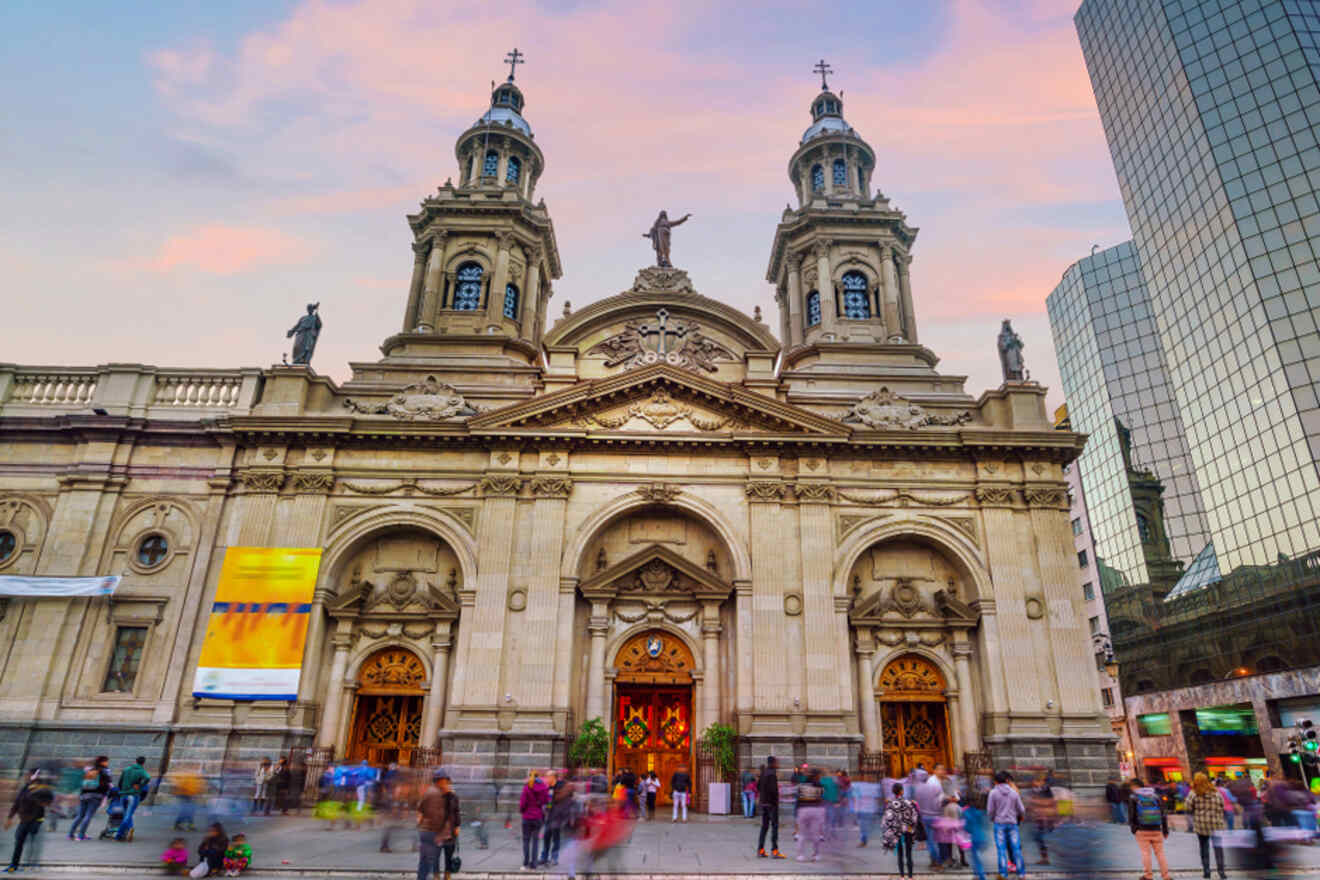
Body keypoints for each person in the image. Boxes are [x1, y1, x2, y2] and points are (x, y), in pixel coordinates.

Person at [4, 769, 54, 874]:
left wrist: (44, 802)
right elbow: (17, 803)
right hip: (24, 820)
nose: (27, 776)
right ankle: (14, 865)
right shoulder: (25, 788)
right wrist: (10, 818)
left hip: (36, 820)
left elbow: (48, 801)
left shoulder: (42, 788)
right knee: (19, 843)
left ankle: (33, 865)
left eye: (29, 774)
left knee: (34, 844)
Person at [417, 769, 460, 880]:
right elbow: (423, 811)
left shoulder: (452, 796)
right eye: (444, 781)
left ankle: (447, 874)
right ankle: (436, 875)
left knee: (448, 854)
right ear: (438, 781)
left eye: (447, 781)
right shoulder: (435, 794)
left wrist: (457, 826)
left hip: (448, 830)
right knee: (434, 856)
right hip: (436, 831)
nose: (446, 784)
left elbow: (456, 812)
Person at [1184, 772, 1226, 880]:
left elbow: (1187, 807)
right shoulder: (1216, 792)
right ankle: (1221, 872)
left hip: (1201, 825)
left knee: (1204, 849)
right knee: (1218, 849)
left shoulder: (1193, 793)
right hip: (1217, 824)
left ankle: (1207, 872)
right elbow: (1222, 805)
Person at [1129, 776, 1171, 880]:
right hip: (1157, 828)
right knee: (1160, 853)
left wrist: (1134, 829)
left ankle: (1148, 876)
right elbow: (1163, 814)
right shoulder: (1155, 796)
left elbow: (1131, 814)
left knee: (1145, 853)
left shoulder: (1133, 797)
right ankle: (1166, 876)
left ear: (1135, 786)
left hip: (1142, 829)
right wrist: (1165, 830)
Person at [987, 770, 1026, 878]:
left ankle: (1003, 874)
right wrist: (1020, 816)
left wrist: (993, 818)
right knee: (1016, 849)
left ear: (996, 781)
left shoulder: (993, 793)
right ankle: (1021, 874)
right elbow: (1021, 809)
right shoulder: (1014, 793)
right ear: (1007, 780)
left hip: (999, 824)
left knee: (1001, 850)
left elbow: (990, 810)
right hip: (1012, 824)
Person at [881, 782, 920, 879]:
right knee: (909, 854)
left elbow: (887, 819)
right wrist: (912, 827)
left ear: (893, 792)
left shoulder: (890, 804)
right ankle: (910, 877)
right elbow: (914, 817)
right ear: (902, 791)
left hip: (896, 831)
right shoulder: (909, 803)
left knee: (900, 854)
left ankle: (902, 876)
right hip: (908, 830)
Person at [69, 755, 111, 840]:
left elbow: (83, 783)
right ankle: (81, 835)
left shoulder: (90, 770)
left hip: (84, 795)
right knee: (88, 815)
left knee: (80, 815)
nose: (107, 763)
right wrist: (104, 794)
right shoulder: (104, 771)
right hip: (96, 796)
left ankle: (71, 834)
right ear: (102, 762)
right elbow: (107, 784)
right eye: (106, 761)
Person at [914, 765, 946, 867]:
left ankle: (935, 860)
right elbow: (941, 801)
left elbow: (917, 804)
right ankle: (940, 860)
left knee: (931, 841)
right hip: (937, 816)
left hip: (926, 817)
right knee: (940, 839)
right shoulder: (936, 787)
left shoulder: (917, 789)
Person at [756, 756, 787, 859]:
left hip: (764, 803)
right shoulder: (772, 774)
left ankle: (760, 850)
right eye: (777, 763)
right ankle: (775, 850)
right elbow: (774, 791)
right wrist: (775, 802)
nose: (778, 764)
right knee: (774, 827)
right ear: (773, 763)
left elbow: (758, 786)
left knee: (764, 827)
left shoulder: (764, 773)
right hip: (771, 805)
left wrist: (763, 797)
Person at [114, 755, 150, 842]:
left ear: (135, 761)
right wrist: (140, 785)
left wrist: (122, 789)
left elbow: (120, 782)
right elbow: (148, 778)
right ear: (143, 763)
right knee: (128, 815)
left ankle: (130, 828)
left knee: (126, 814)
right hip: (133, 795)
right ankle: (120, 834)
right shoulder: (141, 771)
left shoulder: (126, 769)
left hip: (123, 794)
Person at [518, 770, 548, 870]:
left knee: (526, 840)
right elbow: (546, 801)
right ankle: (534, 864)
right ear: (538, 777)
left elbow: (522, 803)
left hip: (527, 817)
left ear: (530, 776)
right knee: (535, 841)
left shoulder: (527, 787)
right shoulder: (544, 787)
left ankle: (525, 863)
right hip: (538, 817)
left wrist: (523, 811)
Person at [795, 768, 826, 862]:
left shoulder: (801, 786)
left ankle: (800, 855)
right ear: (817, 776)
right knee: (816, 834)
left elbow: (798, 798)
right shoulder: (820, 786)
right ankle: (816, 854)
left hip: (803, 810)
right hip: (816, 810)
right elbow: (821, 798)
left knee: (801, 834)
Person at [1026, 775, 1056, 865]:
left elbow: (1050, 802)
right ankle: (1045, 858)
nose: (1033, 783)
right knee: (1039, 838)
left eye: (1035, 781)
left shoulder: (1046, 790)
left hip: (1047, 819)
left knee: (1041, 838)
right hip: (1040, 820)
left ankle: (1047, 857)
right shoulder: (1035, 791)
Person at [963, 790, 991, 880]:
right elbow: (986, 824)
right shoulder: (980, 812)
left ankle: (981, 876)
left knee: (975, 858)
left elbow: (966, 827)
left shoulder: (966, 813)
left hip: (973, 838)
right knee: (977, 857)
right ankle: (977, 875)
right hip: (983, 837)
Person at [851, 774, 879, 847]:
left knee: (864, 827)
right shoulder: (874, 787)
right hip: (865, 809)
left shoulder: (859, 786)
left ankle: (864, 841)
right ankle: (864, 840)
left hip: (865, 809)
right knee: (864, 826)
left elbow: (855, 797)